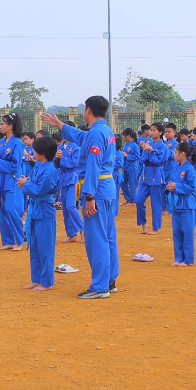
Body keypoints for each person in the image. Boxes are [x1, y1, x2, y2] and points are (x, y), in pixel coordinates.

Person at [40, 96, 120, 300]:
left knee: (96, 239)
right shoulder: (104, 131)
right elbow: (81, 137)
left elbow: (92, 165)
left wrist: (89, 196)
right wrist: (60, 125)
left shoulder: (96, 134)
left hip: (97, 189)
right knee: (108, 236)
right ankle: (110, 281)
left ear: (88, 110)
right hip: (108, 187)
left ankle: (100, 286)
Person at [18, 135, 59, 290]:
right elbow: (33, 184)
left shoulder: (49, 170)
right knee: (34, 244)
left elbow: (40, 189)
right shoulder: (38, 166)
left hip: (45, 209)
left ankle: (47, 282)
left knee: (45, 246)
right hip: (35, 209)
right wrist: (26, 181)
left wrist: (25, 184)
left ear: (42, 152)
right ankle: (37, 278)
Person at [0, 114, 27, 251]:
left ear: (10, 126)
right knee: (3, 211)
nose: (0, 126)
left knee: (12, 209)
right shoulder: (1, 141)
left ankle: (19, 240)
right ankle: (8, 241)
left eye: (2, 124)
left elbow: (15, 165)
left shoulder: (17, 143)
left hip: (12, 180)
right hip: (1, 180)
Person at [164, 142, 196, 266]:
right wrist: (170, 186)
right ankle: (178, 258)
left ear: (182, 154)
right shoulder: (175, 167)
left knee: (187, 232)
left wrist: (177, 186)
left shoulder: (189, 169)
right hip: (176, 205)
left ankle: (188, 259)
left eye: (175, 152)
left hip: (187, 205)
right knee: (177, 232)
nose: (174, 155)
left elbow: (193, 186)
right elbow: (171, 181)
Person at [133, 123, 170, 235]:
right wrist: (146, 149)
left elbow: (158, 161)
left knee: (156, 203)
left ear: (160, 133)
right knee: (139, 200)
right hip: (146, 175)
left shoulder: (163, 147)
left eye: (154, 130)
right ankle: (143, 223)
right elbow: (143, 159)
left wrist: (151, 151)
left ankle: (156, 228)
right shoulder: (149, 143)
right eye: (151, 130)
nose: (152, 132)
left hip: (157, 175)